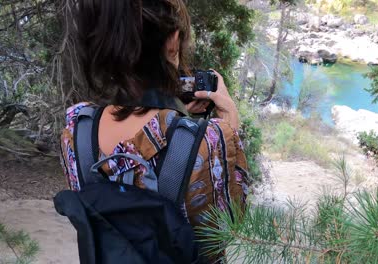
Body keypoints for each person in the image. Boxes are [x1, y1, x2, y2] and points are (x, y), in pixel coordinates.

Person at [59, 0, 249, 256]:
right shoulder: (208, 142)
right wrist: (229, 126)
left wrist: (175, 116)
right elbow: (223, 235)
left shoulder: (76, 131)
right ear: (172, 41)